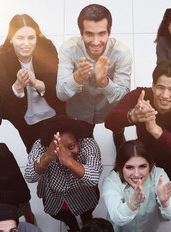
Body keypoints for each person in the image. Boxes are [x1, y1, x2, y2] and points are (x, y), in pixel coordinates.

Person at [105, 61, 171, 191]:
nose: (165, 95)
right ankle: (119, 138)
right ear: (153, 86)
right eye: (160, 87)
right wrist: (133, 115)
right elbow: (109, 121)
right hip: (142, 154)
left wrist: (155, 130)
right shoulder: (141, 95)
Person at [56, 4, 132, 149]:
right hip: (81, 109)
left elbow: (123, 97)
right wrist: (77, 77)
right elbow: (61, 94)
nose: (96, 42)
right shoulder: (69, 49)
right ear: (81, 33)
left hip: (110, 107)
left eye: (102, 34)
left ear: (109, 33)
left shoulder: (122, 53)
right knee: (85, 138)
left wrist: (104, 81)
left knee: (117, 127)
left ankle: (118, 134)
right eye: (89, 34)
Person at [0, 14, 65, 153]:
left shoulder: (47, 48)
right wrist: (19, 85)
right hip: (22, 113)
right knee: (34, 150)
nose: (26, 43)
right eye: (20, 38)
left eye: (31, 38)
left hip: (52, 107)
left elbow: (57, 87)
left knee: (62, 146)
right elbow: (5, 98)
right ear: (11, 40)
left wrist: (36, 83)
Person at [24, 115, 102, 232]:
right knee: (65, 217)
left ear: (78, 140)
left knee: (87, 213)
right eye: (59, 149)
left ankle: (87, 221)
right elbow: (29, 176)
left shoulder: (88, 144)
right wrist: (48, 156)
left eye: (71, 146)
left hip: (84, 196)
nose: (64, 154)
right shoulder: (40, 147)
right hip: (56, 200)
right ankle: (72, 226)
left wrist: (68, 161)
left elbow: (93, 177)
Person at [101, 140, 171, 232]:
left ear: (150, 165)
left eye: (143, 166)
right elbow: (117, 217)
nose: (136, 174)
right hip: (121, 230)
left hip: (147, 226)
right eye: (129, 167)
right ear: (120, 166)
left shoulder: (158, 175)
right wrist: (133, 203)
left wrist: (165, 202)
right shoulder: (111, 181)